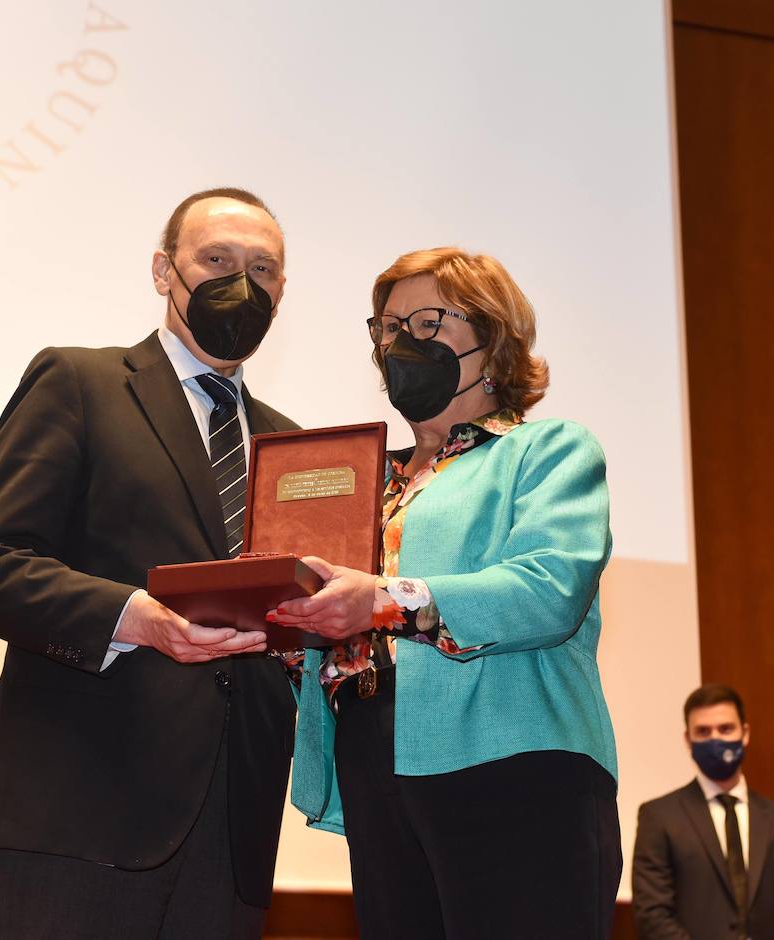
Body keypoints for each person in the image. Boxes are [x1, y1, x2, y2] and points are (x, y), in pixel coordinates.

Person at [0, 188, 299, 939]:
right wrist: (130, 618)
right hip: (79, 816)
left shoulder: (291, 446)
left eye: (263, 268)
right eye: (216, 259)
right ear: (162, 271)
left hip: (231, 830)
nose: (241, 282)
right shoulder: (80, 383)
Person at [267, 247, 621, 939]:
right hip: (375, 763)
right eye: (388, 328)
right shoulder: (364, 481)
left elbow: (549, 589)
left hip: (514, 767)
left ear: (492, 340)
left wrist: (382, 600)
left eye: (428, 323)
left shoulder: (546, 451)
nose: (403, 344)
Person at [632, 684, 774, 940]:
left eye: (725, 729)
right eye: (703, 731)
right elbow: (653, 914)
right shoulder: (659, 817)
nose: (715, 739)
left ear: (744, 733)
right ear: (688, 739)